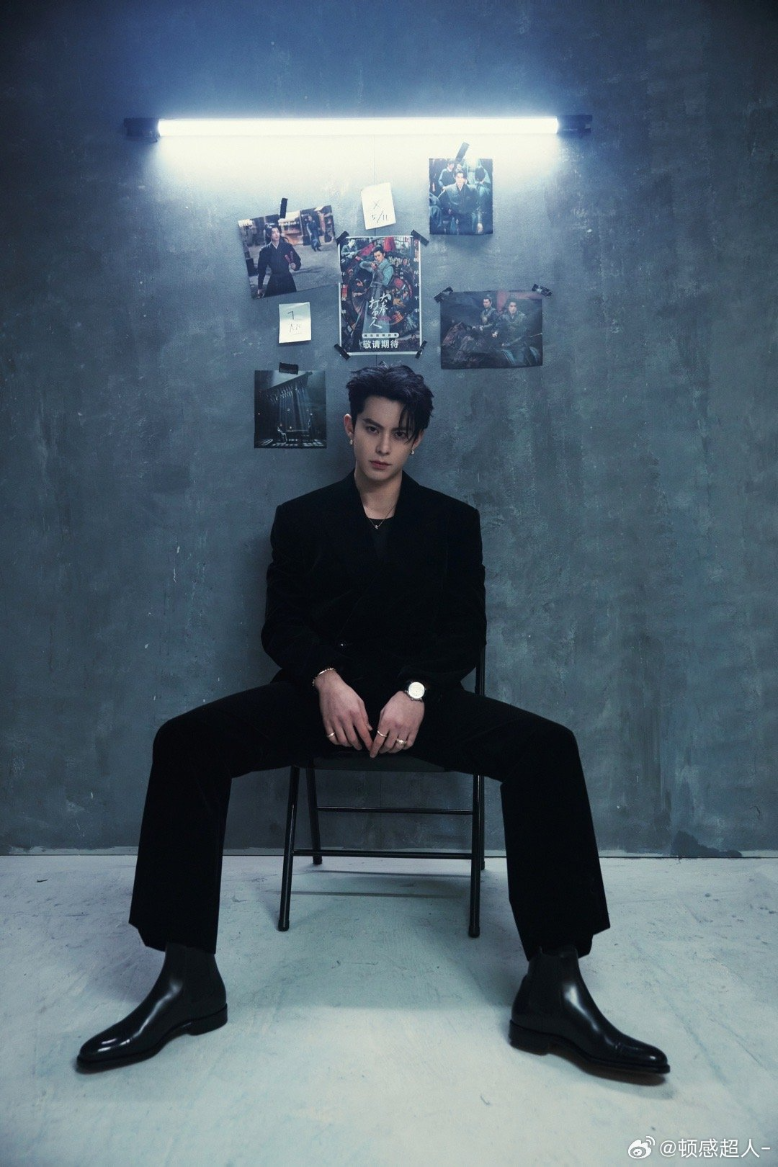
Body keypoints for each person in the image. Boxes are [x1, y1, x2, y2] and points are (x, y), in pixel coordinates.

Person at [76, 365, 669, 1078]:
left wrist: (416, 690)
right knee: (183, 742)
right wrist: (325, 679)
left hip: (419, 706)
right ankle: (186, 977)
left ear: (417, 441)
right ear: (350, 428)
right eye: (373, 429)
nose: (384, 446)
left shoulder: (453, 521)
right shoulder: (301, 518)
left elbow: (465, 632)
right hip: (321, 703)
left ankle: (555, 985)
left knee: (549, 749)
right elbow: (281, 625)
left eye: (400, 434)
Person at [255, 225, 301, 297]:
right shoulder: (265, 251)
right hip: (274, 280)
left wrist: (295, 266)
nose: (276, 234)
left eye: (277, 232)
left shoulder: (287, 246)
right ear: (268, 235)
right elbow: (261, 270)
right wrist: (259, 287)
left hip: (287, 279)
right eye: (273, 232)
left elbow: (297, 260)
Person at [497, 298, 542, 366]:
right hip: (505, 346)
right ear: (508, 307)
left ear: (517, 307)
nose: (513, 308)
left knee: (519, 363)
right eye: (511, 306)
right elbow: (499, 329)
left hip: (519, 346)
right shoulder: (503, 317)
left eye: (515, 306)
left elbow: (524, 334)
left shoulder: (522, 317)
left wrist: (510, 343)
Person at [439, 170, 479, 234]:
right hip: (454, 220)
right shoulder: (448, 189)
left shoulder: (472, 189)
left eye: (462, 177)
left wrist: (478, 221)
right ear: (454, 177)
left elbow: (477, 205)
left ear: (464, 178)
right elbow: (439, 200)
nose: (460, 179)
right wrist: (447, 209)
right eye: (458, 177)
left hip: (467, 221)